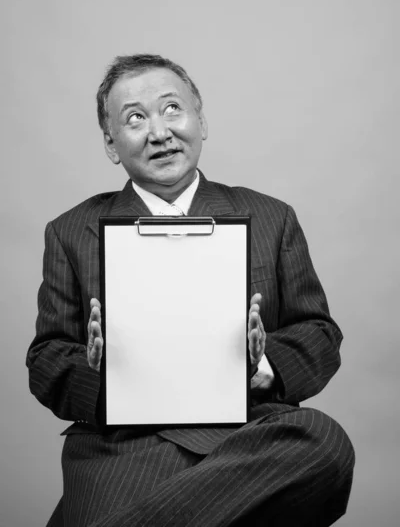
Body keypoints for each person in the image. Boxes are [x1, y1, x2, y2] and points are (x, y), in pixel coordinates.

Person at [27, 54, 355, 527]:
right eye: (135, 118)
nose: (159, 132)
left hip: (249, 442)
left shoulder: (271, 216)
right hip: (123, 449)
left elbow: (319, 334)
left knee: (324, 442)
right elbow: (46, 358)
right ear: (111, 144)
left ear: (201, 121)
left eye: (172, 109)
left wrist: (261, 365)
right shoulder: (70, 231)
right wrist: (96, 373)